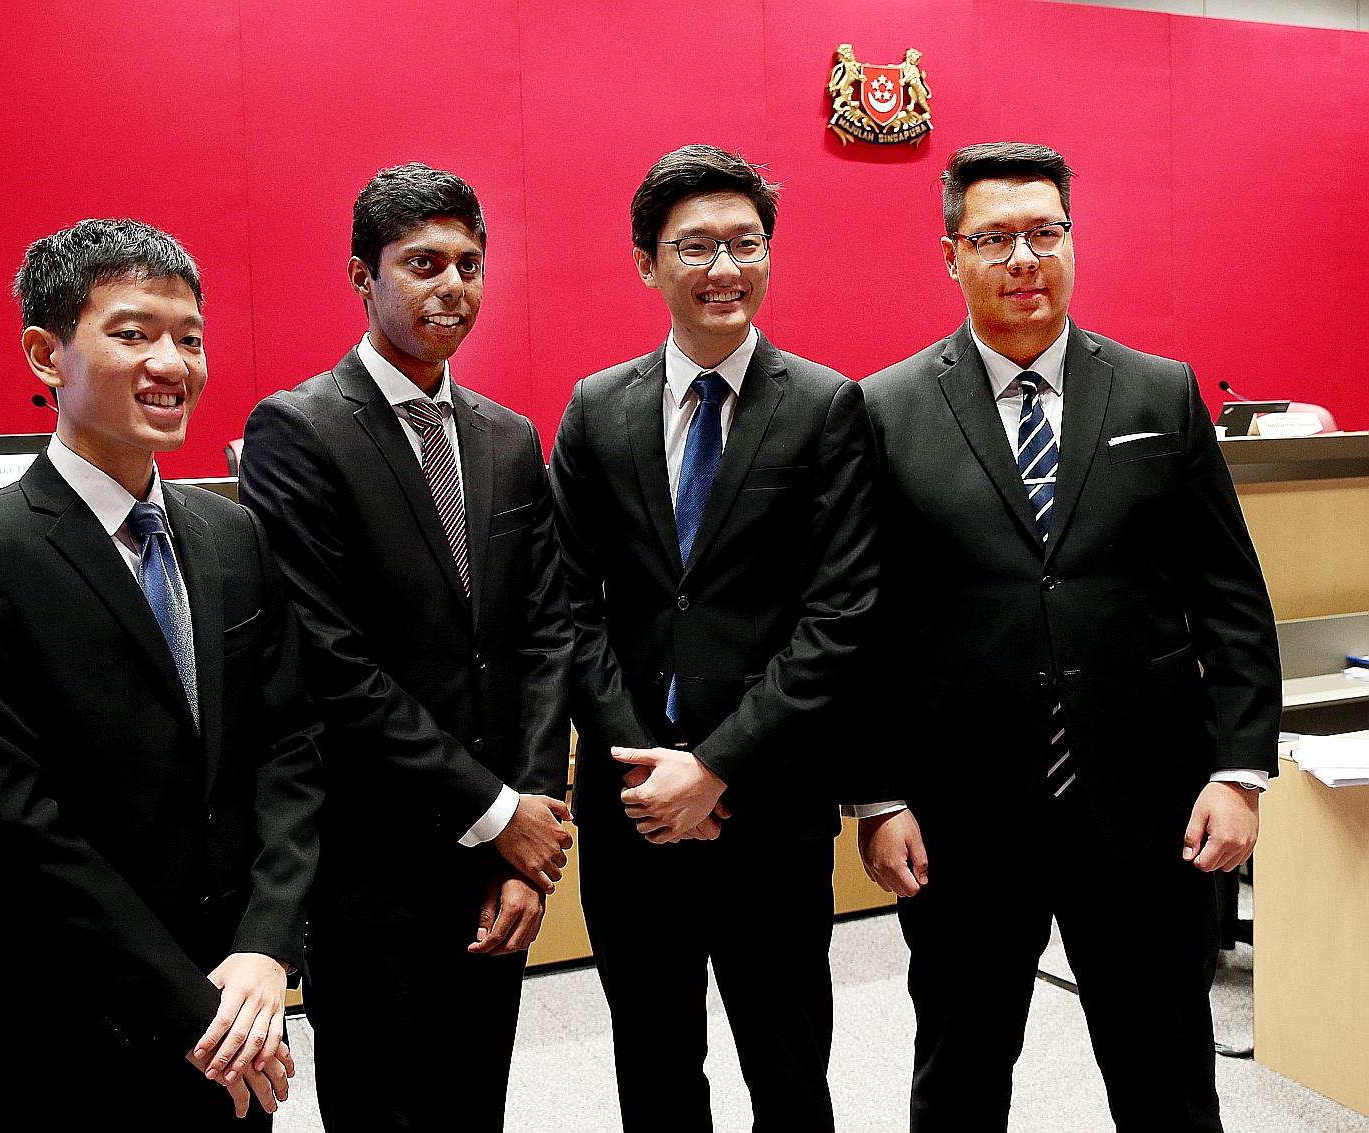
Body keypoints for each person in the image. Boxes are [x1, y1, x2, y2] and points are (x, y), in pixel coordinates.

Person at [854, 142, 1281, 1132]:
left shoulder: (1158, 393)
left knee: (1169, 1079)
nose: (1023, 258)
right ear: (951, 253)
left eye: (1046, 232)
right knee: (959, 1078)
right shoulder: (883, 410)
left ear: (1072, 241)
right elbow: (861, 624)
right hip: (962, 821)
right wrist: (877, 794)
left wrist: (1240, 770)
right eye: (994, 237)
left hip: (1149, 812)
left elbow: (1231, 599)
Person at [0, 218, 324, 1130]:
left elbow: (289, 749)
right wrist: (191, 1010)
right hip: (75, 1030)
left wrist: (266, 947)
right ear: (46, 356)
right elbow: (12, 828)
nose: (172, 361)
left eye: (191, 337)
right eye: (133, 333)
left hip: (237, 1015)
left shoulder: (232, 534)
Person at [548, 144, 881, 1132]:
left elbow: (840, 616)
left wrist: (717, 767)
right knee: (654, 1071)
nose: (724, 267)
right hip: (632, 814)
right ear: (648, 263)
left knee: (788, 1072)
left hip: (769, 808)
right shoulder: (594, 408)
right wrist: (651, 768)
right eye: (695, 246)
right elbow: (565, 605)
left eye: (746, 242)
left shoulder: (826, 407)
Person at [239, 164, 573, 1132]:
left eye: (470, 263)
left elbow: (544, 633)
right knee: (383, 1109)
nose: (452, 285)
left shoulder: (510, 437)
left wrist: (531, 831)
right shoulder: (298, 430)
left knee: (476, 1106)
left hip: (500, 862)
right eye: (422, 262)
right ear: (362, 274)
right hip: (374, 861)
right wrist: (492, 807)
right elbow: (332, 661)